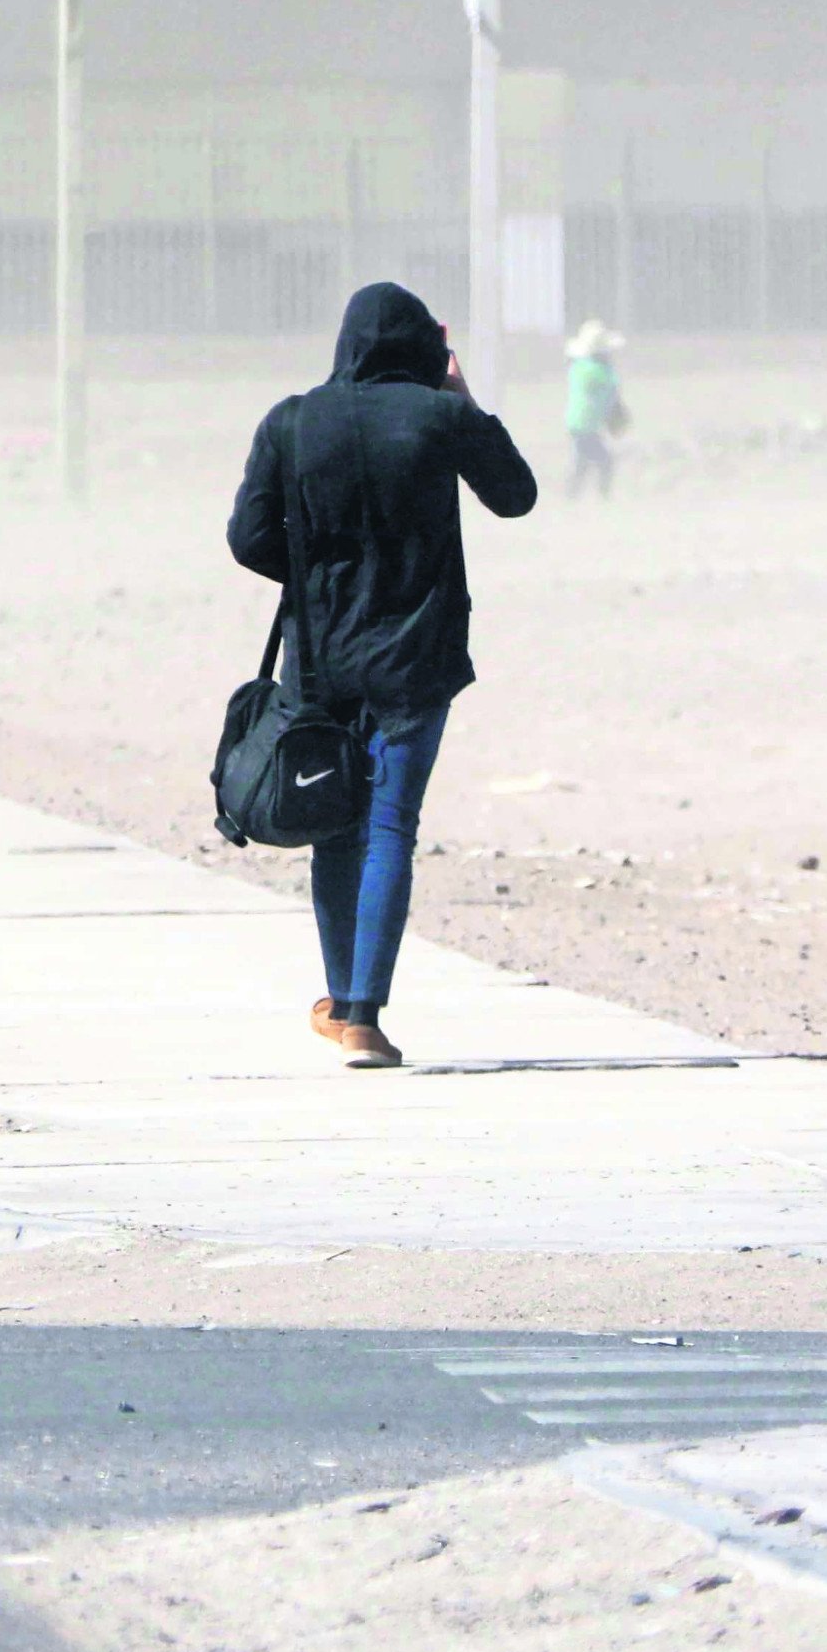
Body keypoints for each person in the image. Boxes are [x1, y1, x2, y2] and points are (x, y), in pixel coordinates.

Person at [227, 282, 538, 1068]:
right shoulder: (441, 417)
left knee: (335, 824)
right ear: (422, 351)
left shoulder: (292, 420)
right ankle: (363, 1012)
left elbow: (248, 537)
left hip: (321, 662)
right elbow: (516, 495)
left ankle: (343, 1003)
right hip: (416, 655)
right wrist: (464, 397)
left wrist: (317, 572)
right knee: (392, 824)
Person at [562, 320, 627, 499]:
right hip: (586, 426)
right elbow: (613, 391)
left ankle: (571, 496)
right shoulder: (600, 372)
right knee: (605, 461)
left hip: (577, 423)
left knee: (582, 462)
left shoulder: (579, 368)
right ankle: (602, 496)